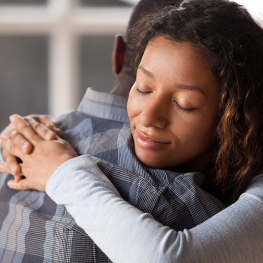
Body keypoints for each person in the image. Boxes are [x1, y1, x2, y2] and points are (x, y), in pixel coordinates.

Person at [1, 0, 263, 262]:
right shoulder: (24, 147)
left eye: (185, 105)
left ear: (235, 115)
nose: (148, 117)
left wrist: (62, 173)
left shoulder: (25, 153)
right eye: (143, 88)